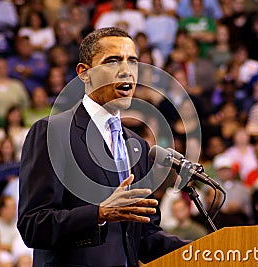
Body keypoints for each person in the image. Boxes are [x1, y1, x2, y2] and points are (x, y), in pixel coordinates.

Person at [17, 27, 188, 266]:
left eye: (133, 61)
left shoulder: (137, 146)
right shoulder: (52, 132)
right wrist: (98, 214)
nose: (126, 70)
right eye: (113, 61)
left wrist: (206, 250)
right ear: (84, 73)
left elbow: (144, 237)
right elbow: (33, 225)